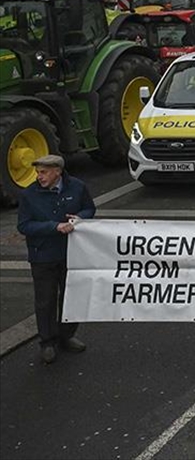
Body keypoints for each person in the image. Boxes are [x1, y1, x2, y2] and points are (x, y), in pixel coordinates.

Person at [17, 154, 96, 365]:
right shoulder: (29, 195)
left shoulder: (77, 187)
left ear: (57, 172)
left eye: (43, 172)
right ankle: (47, 342)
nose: (38, 176)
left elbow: (89, 208)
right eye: (38, 172)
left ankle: (66, 335)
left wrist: (82, 218)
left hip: (72, 253)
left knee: (72, 297)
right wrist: (54, 226)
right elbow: (24, 226)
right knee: (45, 300)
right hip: (43, 255)